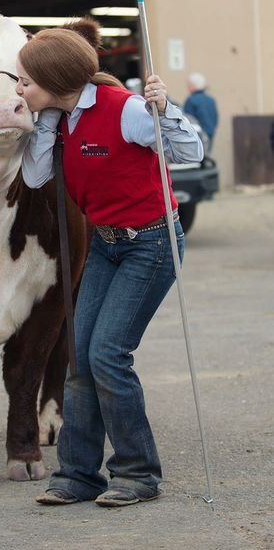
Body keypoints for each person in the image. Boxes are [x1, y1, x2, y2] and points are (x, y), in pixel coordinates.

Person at [15, 25, 203, 508]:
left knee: (107, 355)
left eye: (25, 82)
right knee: (79, 354)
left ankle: (137, 473)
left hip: (152, 243)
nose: (18, 90)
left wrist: (165, 111)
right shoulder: (56, 121)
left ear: (55, 79)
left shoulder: (128, 111)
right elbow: (36, 176)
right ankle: (78, 476)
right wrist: (40, 120)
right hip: (107, 244)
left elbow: (191, 152)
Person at [183, 72, 218, 153]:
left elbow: (187, 120)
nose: (188, 87)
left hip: (197, 136)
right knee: (206, 155)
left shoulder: (191, 100)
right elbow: (216, 117)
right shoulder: (211, 100)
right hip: (210, 133)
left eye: (189, 85)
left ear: (193, 86)